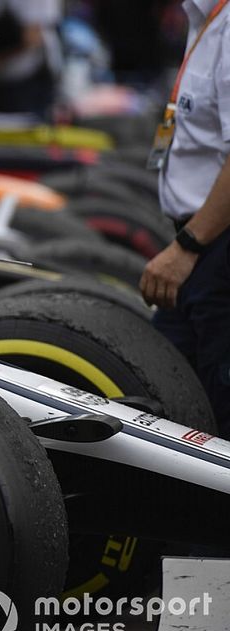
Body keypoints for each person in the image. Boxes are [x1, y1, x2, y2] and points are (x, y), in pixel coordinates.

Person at [140, 0, 230, 437]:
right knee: (167, 399)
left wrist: (187, 246)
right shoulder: (204, 16)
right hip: (205, 248)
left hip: (214, 249)